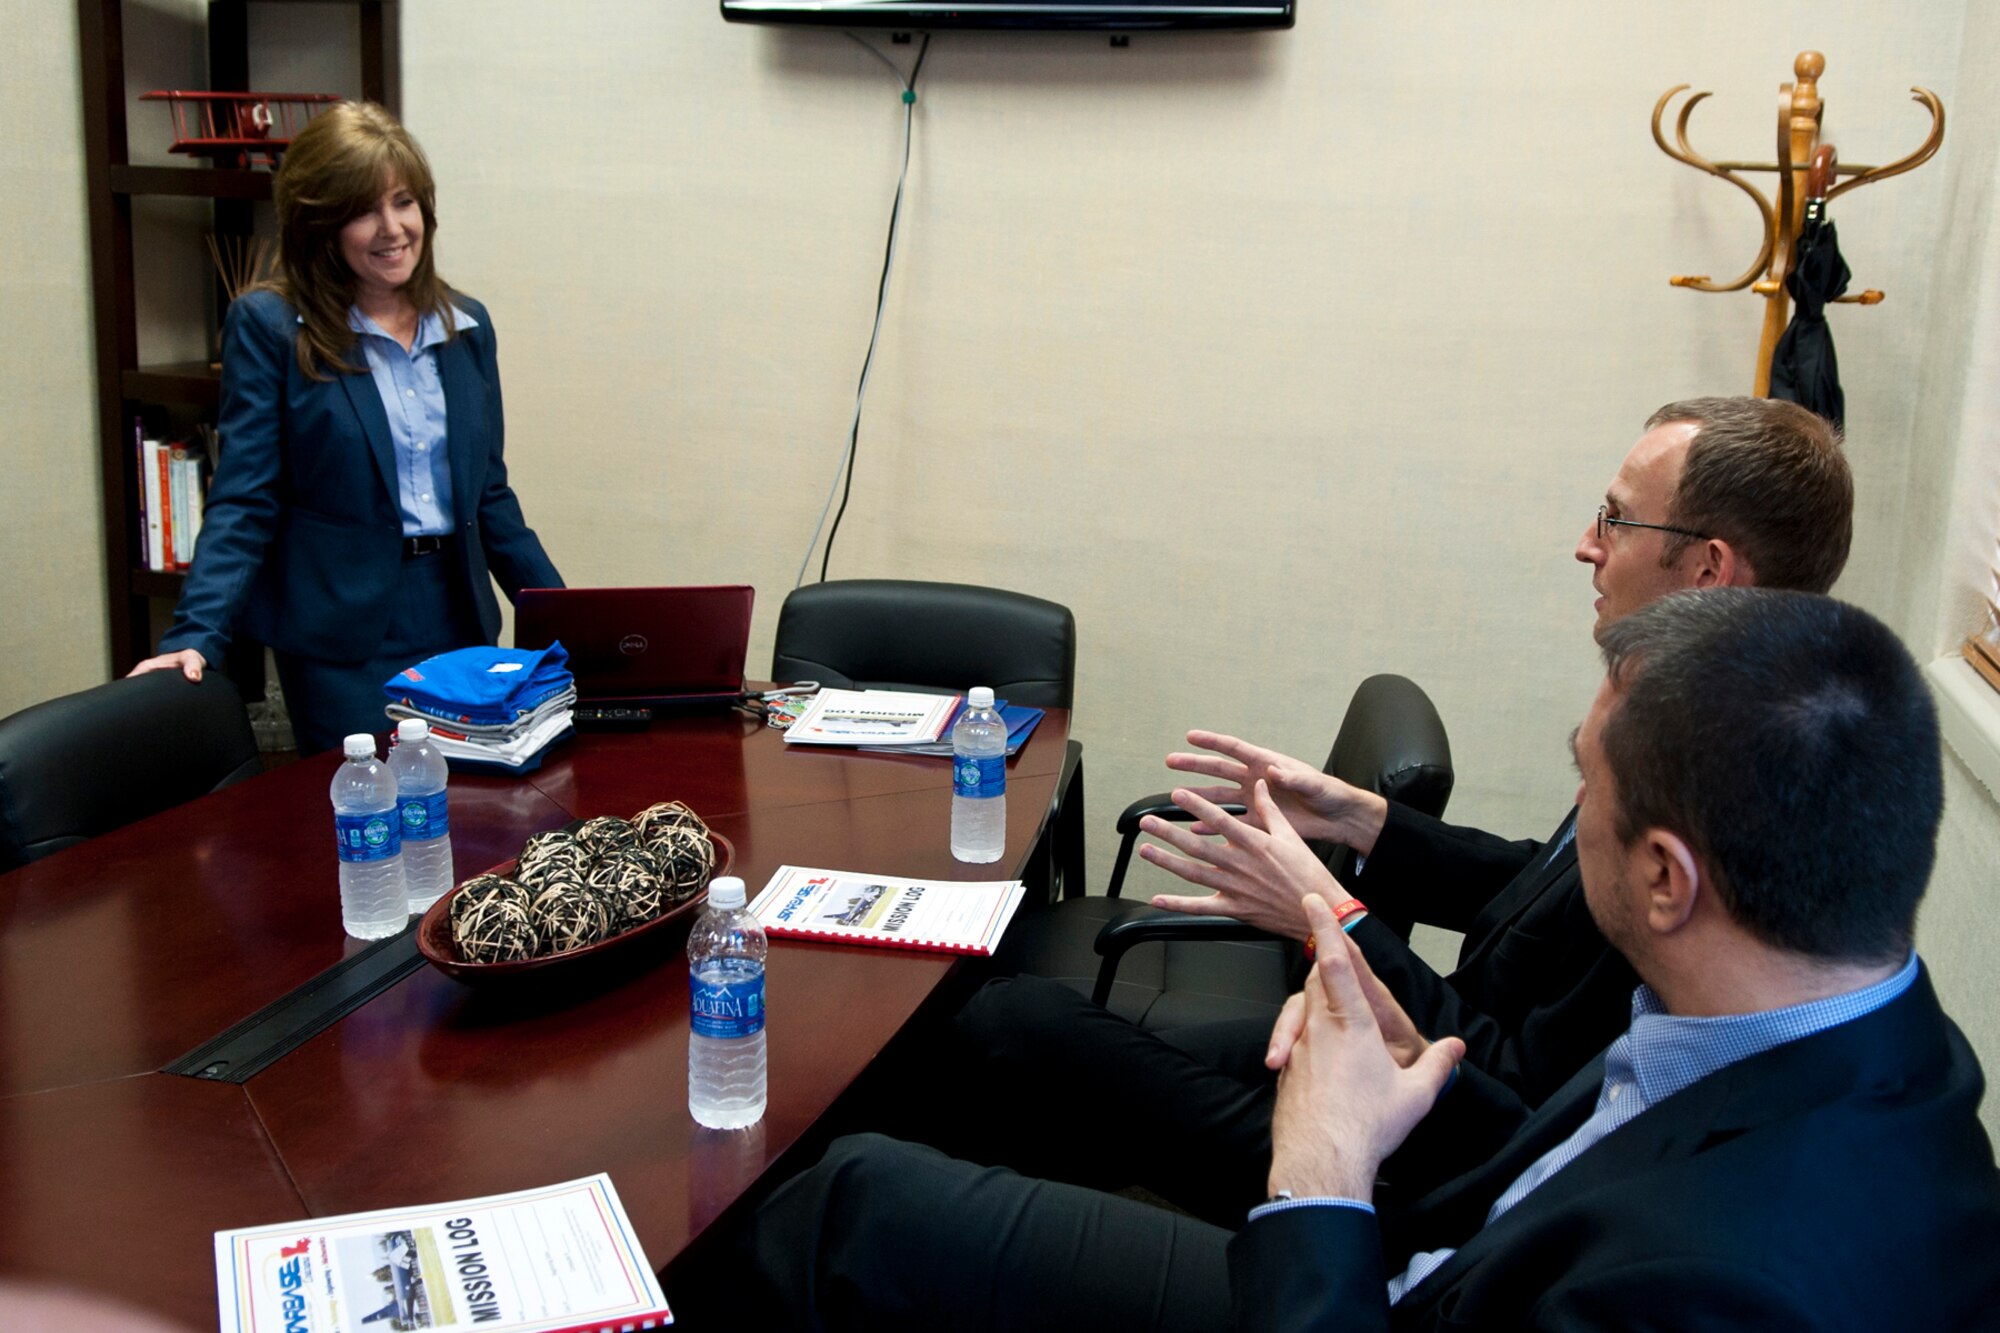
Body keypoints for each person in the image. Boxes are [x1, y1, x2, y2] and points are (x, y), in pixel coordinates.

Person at [747, 589, 2000, 1331]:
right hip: (1394, 1238)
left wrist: (1322, 1175)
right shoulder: (1842, 1026)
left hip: (1346, 1279)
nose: (1567, 822)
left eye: (1587, 785)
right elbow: (1553, 1161)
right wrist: (1420, 1076)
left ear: (1667, 879)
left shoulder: (1731, 1284)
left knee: (847, 1206)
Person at [942, 396, 1854, 1226]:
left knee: (1005, 1031)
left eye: (1616, 518)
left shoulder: (1715, 798)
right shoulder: (1694, 715)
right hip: (1395, 1063)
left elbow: (1518, 1091)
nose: (1587, 543)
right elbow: (1543, 882)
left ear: (1707, 568)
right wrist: (1360, 820)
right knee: (1020, 1040)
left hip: (1406, 1162)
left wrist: (1329, 916)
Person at [128, 102, 561, 755]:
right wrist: (196, 633)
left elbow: (489, 495)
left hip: (457, 615)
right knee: (369, 802)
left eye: (404, 202)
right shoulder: (269, 326)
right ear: (319, 224)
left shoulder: (466, 326)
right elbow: (246, 498)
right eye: (363, 211)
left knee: (477, 801)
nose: (393, 228)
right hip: (340, 635)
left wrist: (568, 619)